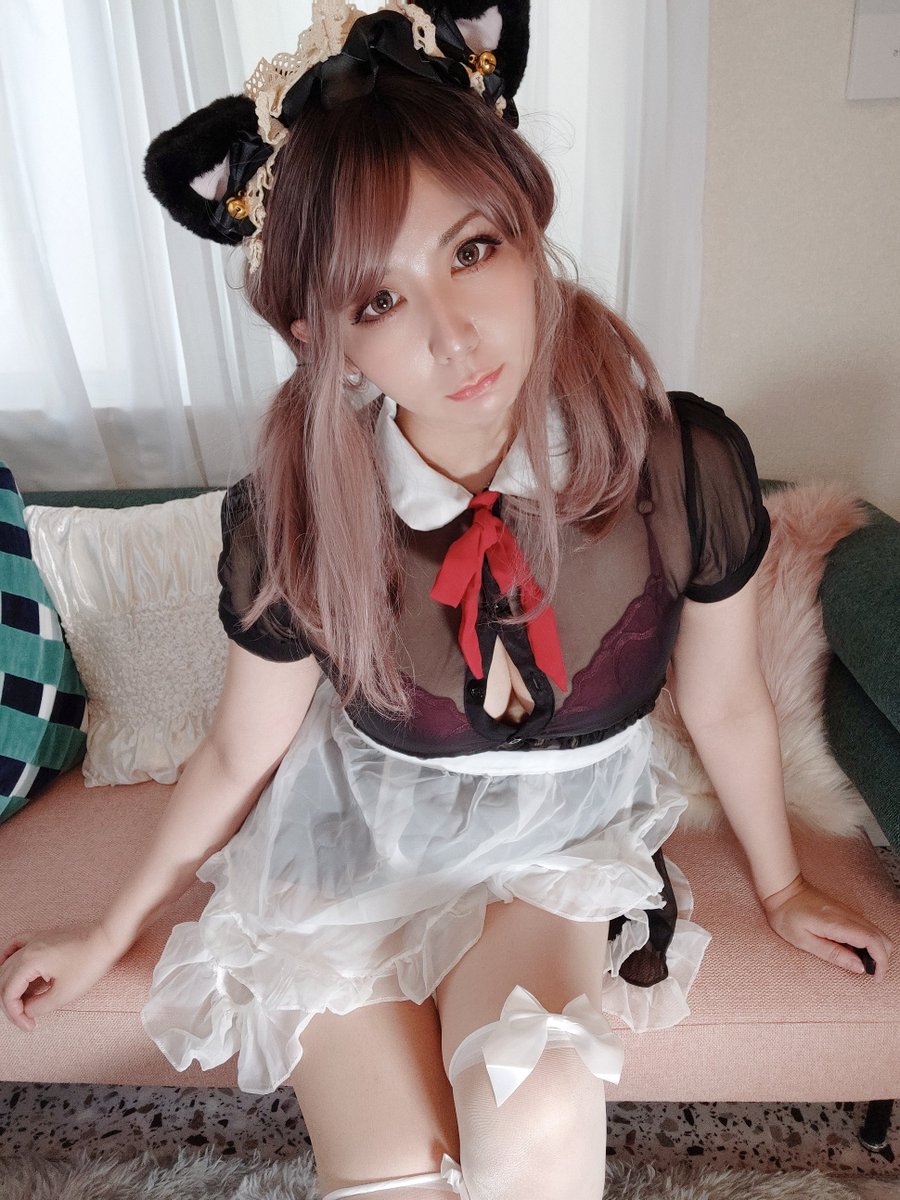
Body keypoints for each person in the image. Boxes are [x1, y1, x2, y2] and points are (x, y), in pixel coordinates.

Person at [0, 3, 892, 1198]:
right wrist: (109, 929)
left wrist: (782, 887)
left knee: (535, 1107)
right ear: (321, 335)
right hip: (353, 841)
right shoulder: (301, 511)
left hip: (554, 845)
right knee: (395, 1176)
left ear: (527, 226)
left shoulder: (679, 466)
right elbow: (238, 752)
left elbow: (726, 702)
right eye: (379, 301)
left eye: (471, 250)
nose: (454, 335)